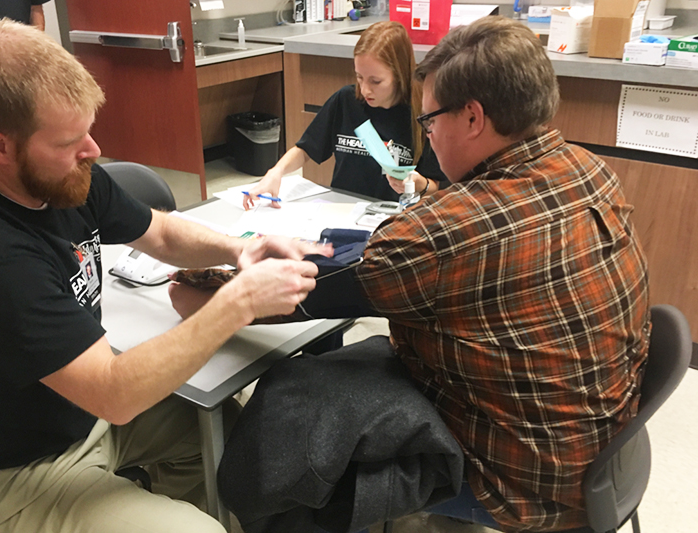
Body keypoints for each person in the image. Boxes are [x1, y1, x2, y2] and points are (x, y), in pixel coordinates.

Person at [173, 16, 650, 532]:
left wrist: (211, 295)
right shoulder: (587, 169)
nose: (427, 133)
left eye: (428, 122)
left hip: (524, 480)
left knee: (291, 411)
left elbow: (304, 293)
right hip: (603, 452)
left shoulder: (441, 235)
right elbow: (465, 233)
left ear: (472, 117)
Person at [0, 20, 329, 533]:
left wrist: (241, 247)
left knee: (235, 437)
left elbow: (159, 233)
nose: (92, 149)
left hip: (85, 417)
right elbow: (113, 392)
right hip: (20, 469)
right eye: (70, 140)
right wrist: (237, 301)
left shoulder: (63, 177)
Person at [243, 20, 446, 210]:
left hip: (390, 217)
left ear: (400, 75)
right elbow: (306, 149)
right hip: (342, 210)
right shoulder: (346, 101)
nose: (365, 90)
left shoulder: (423, 114)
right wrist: (275, 173)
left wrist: (419, 184)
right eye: (359, 77)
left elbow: (436, 187)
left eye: (375, 81)